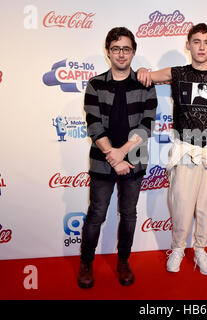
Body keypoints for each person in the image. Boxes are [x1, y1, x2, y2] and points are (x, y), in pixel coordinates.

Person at [137, 23, 207, 275]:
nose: (202, 47)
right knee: (181, 205)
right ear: (188, 44)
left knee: (206, 206)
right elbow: (149, 75)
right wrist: (145, 69)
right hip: (184, 148)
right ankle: (178, 248)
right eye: (197, 41)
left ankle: (200, 249)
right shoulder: (178, 73)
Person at [78, 27, 157, 288]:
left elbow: (147, 126)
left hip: (133, 159)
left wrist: (122, 154)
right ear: (108, 52)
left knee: (129, 214)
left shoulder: (145, 84)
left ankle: (123, 261)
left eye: (126, 48)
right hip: (103, 161)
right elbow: (93, 125)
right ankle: (86, 263)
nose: (121, 54)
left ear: (133, 52)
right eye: (115, 48)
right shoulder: (95, 84)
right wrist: (113, 157)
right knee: (96, 214)